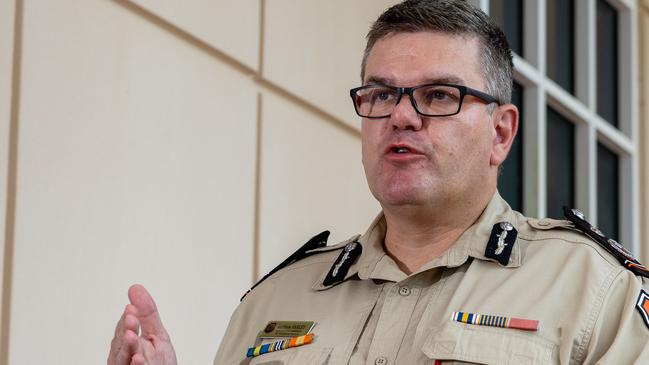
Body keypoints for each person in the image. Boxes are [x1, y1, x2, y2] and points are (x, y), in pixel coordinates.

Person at [107, 1, 649, 364]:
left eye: (439, 96)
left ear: (501, 133)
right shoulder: (273, 301)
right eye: (381, 95)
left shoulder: (592, 290)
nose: (402, 117)